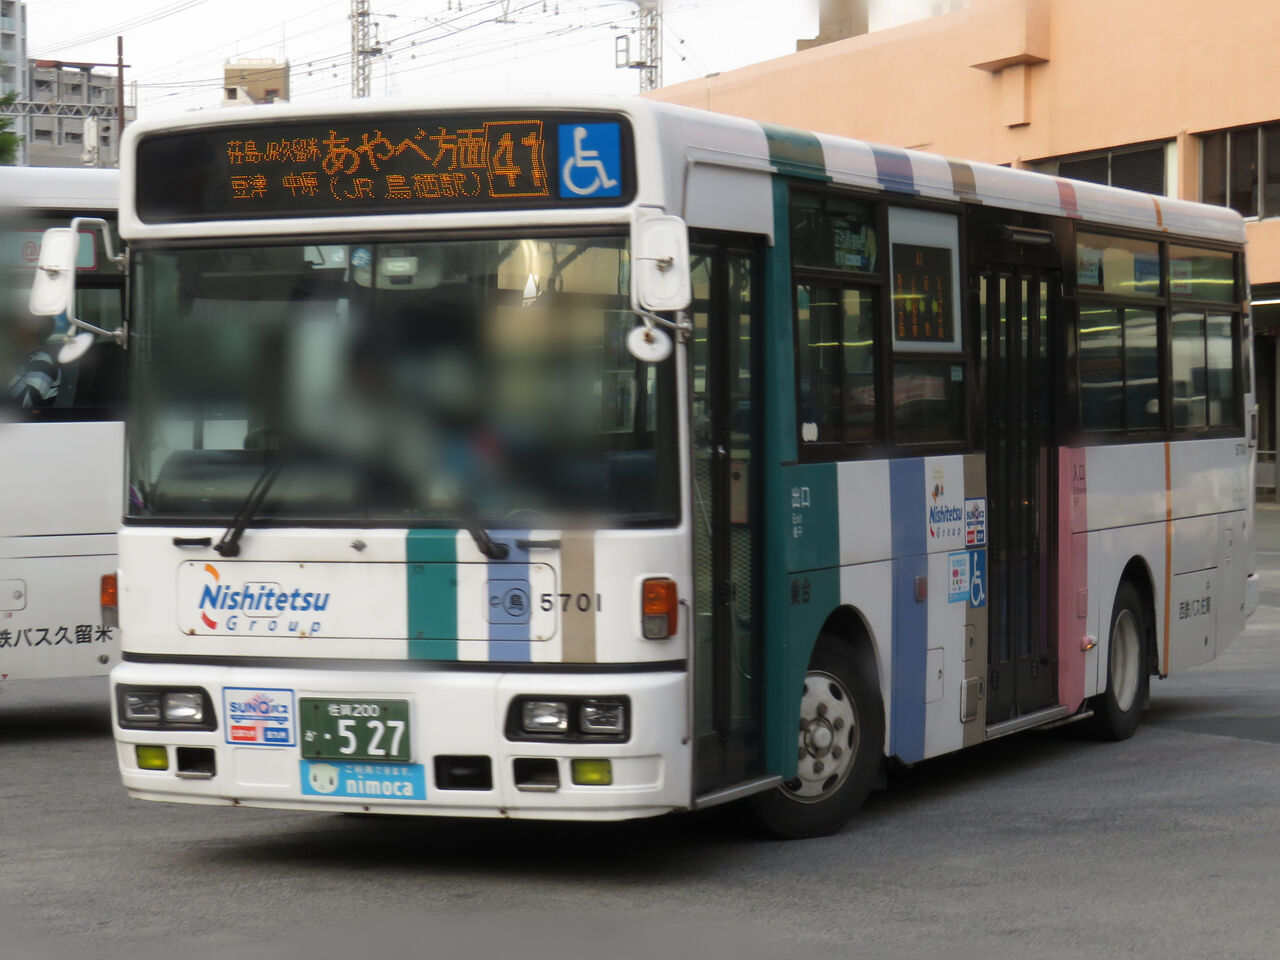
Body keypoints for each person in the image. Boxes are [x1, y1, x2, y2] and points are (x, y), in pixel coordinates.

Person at [5, 312, 61, 409]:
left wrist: (8, 372)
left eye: (15, 323)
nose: (9, 328)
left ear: (33, 327)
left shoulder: (43, 361)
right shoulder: (16, 357)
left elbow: (28, 404)